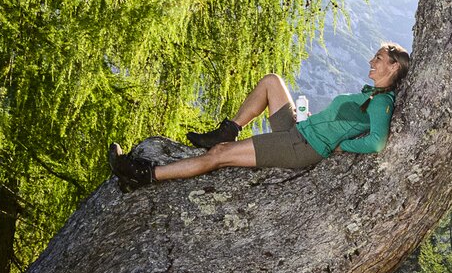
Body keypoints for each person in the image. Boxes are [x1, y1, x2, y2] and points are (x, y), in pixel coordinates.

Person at [107, 42, 412, 191]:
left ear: (393, 68)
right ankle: (228, 129)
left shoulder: (381, 102)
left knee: (219, 155)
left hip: (301, 148)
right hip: (299, 130)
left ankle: (142, 174)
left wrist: (340, 147)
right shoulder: (368, 94)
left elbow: (376, 143)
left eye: (379, 58)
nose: (372, 61)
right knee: (271, 81)